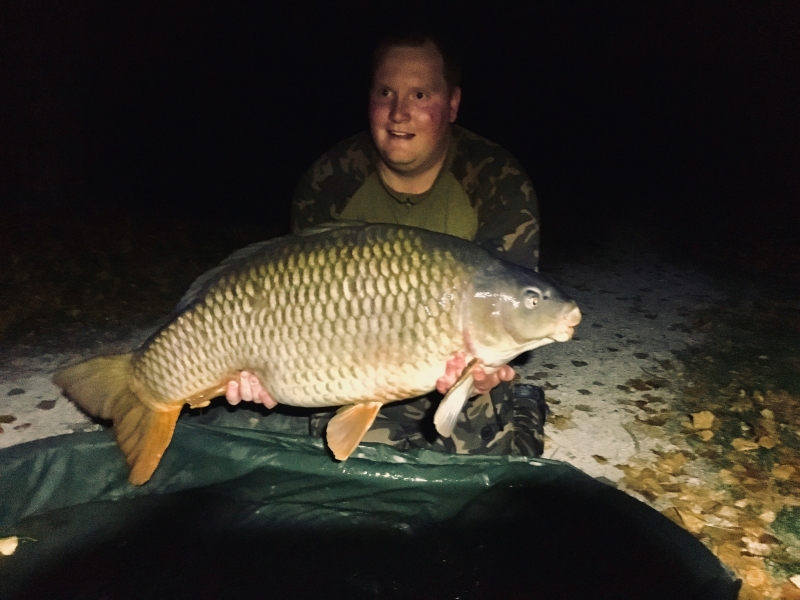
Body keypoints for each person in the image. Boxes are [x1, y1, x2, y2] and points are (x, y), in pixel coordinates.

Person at [226, 29, 547, 456]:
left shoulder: (497, 182)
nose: (398, 113)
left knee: (478, 456)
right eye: (385, 92)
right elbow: (291, 301)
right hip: (345, 359)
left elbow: (503, 307)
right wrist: (259, 369)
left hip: (446, 372)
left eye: (419, 95)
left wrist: (485, 370)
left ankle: (520, 407)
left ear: (452, 104)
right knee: (292, 439)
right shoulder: (330, 181)